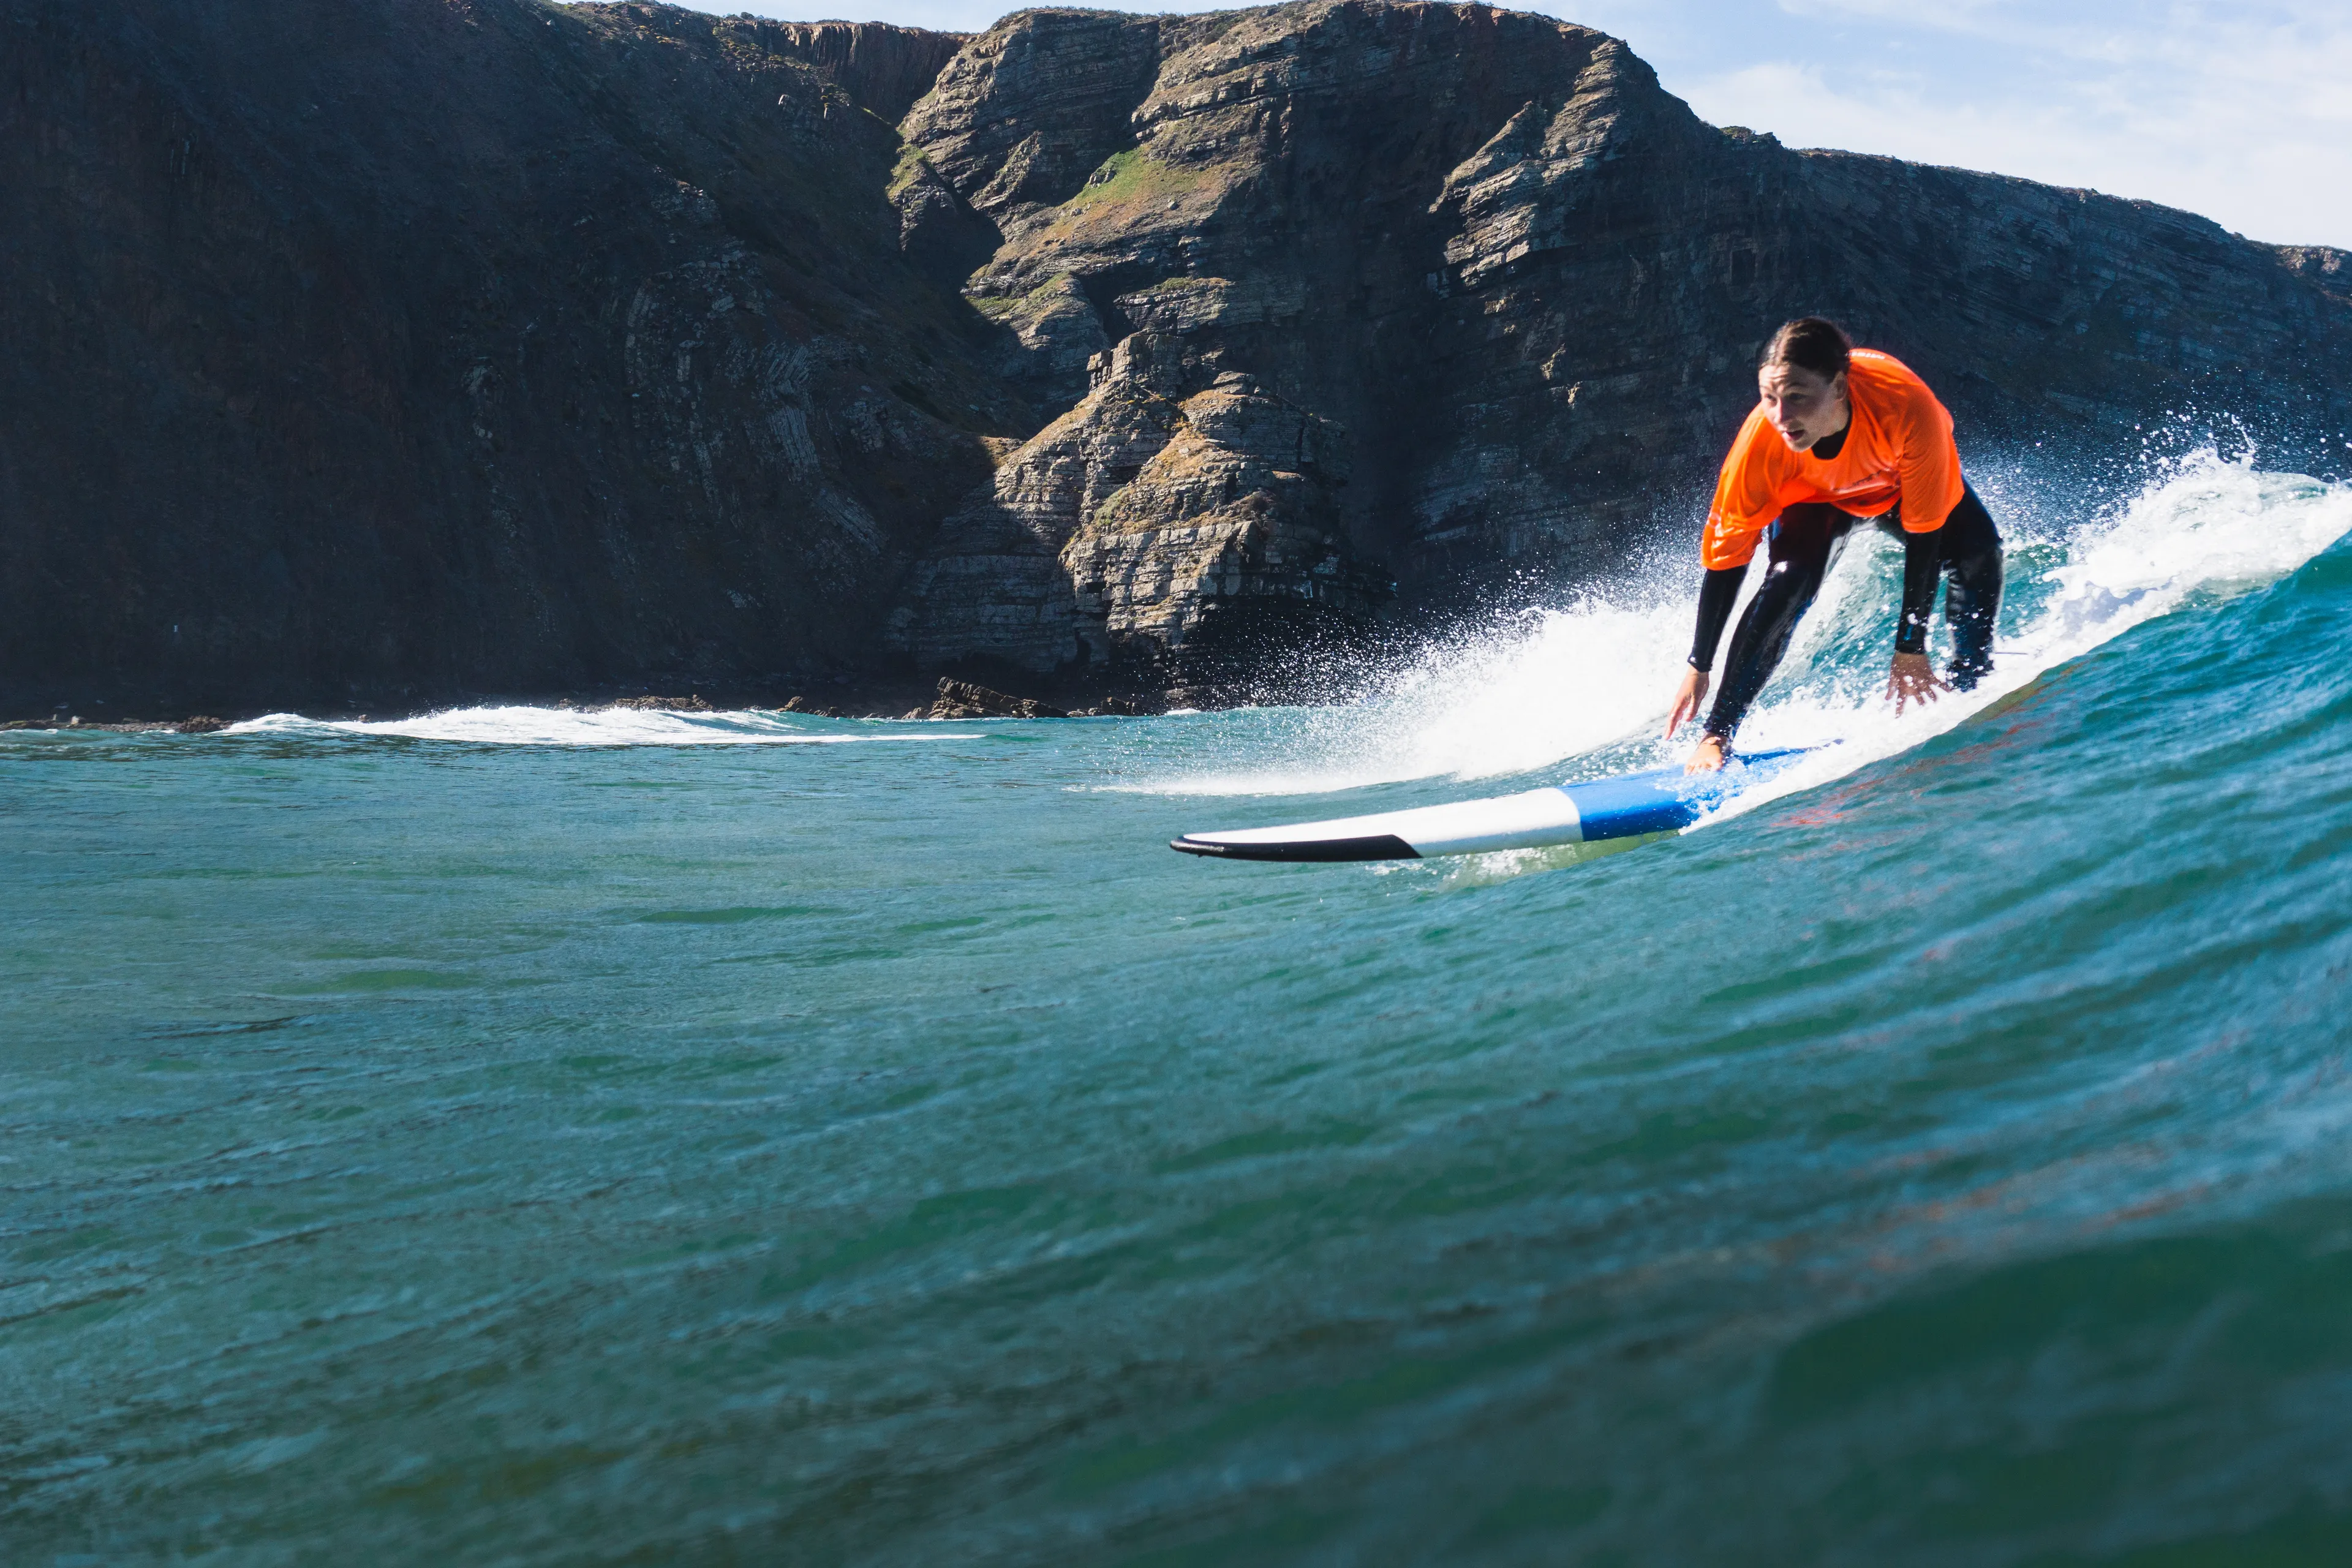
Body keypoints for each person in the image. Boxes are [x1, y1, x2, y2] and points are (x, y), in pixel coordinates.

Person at [1664, 317, 2004, 772]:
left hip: (1895, 490)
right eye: (1769, 398)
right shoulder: (1760, 446)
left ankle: (1971, 684)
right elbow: (1728, 559)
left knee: (1979, 551)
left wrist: (1910, 646)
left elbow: (1926, 533)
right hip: (1813, 503)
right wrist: (1699, 664)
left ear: (1840, 388)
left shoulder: (1906, 405)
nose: (1781, 417)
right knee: (1789, 581)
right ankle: (1717, 734)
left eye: (1797, 397)